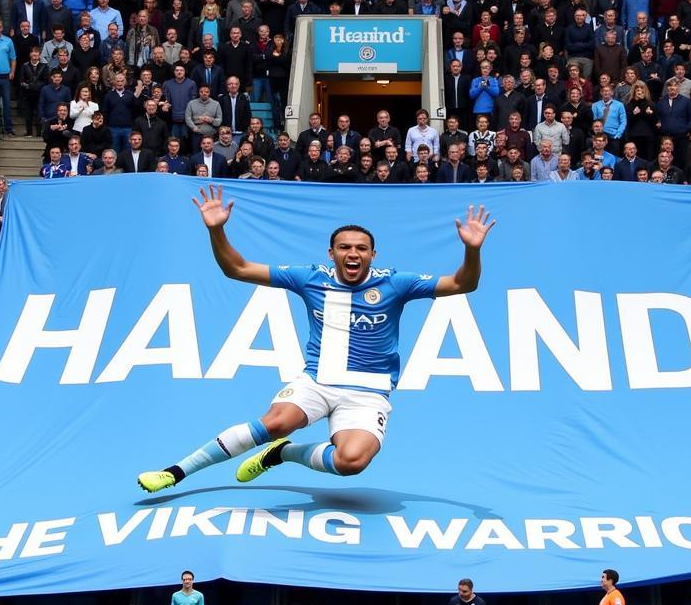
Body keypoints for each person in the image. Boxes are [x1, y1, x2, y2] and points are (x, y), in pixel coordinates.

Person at [138, 188, 494, 492]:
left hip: (367, 392)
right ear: (331, 253)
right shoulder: (311, 278)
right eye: (344, 247)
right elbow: (239, 269)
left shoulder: (395, 284)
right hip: (318, 381)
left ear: (373, 255)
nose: (352, 253)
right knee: (274, 422)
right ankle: (175, 472)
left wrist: (472, 250)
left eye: (360, 248)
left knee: (353, 461)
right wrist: (217, 231)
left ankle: (282, 454)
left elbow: (464, 284)